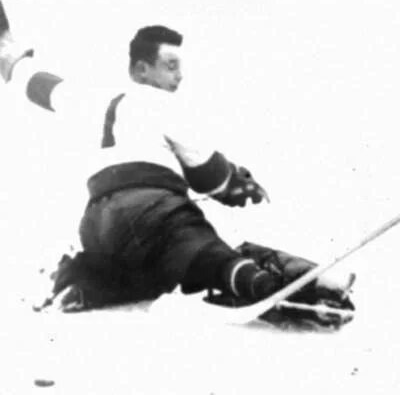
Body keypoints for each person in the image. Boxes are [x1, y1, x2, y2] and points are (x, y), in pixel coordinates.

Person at [0, 21, 354, 328]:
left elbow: (41, 86)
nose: (179, 76)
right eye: (170, 66)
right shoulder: (160, 102)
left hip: (97, 224)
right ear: (141, 71)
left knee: (148, 273)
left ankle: (84, 282)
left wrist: (12, 59)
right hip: (154, 213)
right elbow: (210, 176)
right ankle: (265, 289)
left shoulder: (87, 96)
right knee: (211, 255)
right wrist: (240, 184)